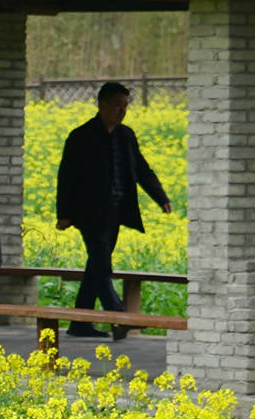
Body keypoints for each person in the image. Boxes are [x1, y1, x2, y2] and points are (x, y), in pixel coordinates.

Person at [54, 80, 173, 334]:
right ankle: (119, 317)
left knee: (96, 265)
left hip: (116, 211)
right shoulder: (81, 136)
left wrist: (161, 197)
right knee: (102, 264)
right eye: (117, 105)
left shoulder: (126, 136)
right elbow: (67, 177)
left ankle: (80, 322)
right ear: (102, 105)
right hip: (88, 213)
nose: (122, 111)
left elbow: (142, 169)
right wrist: (63, 214)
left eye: (125, 106)